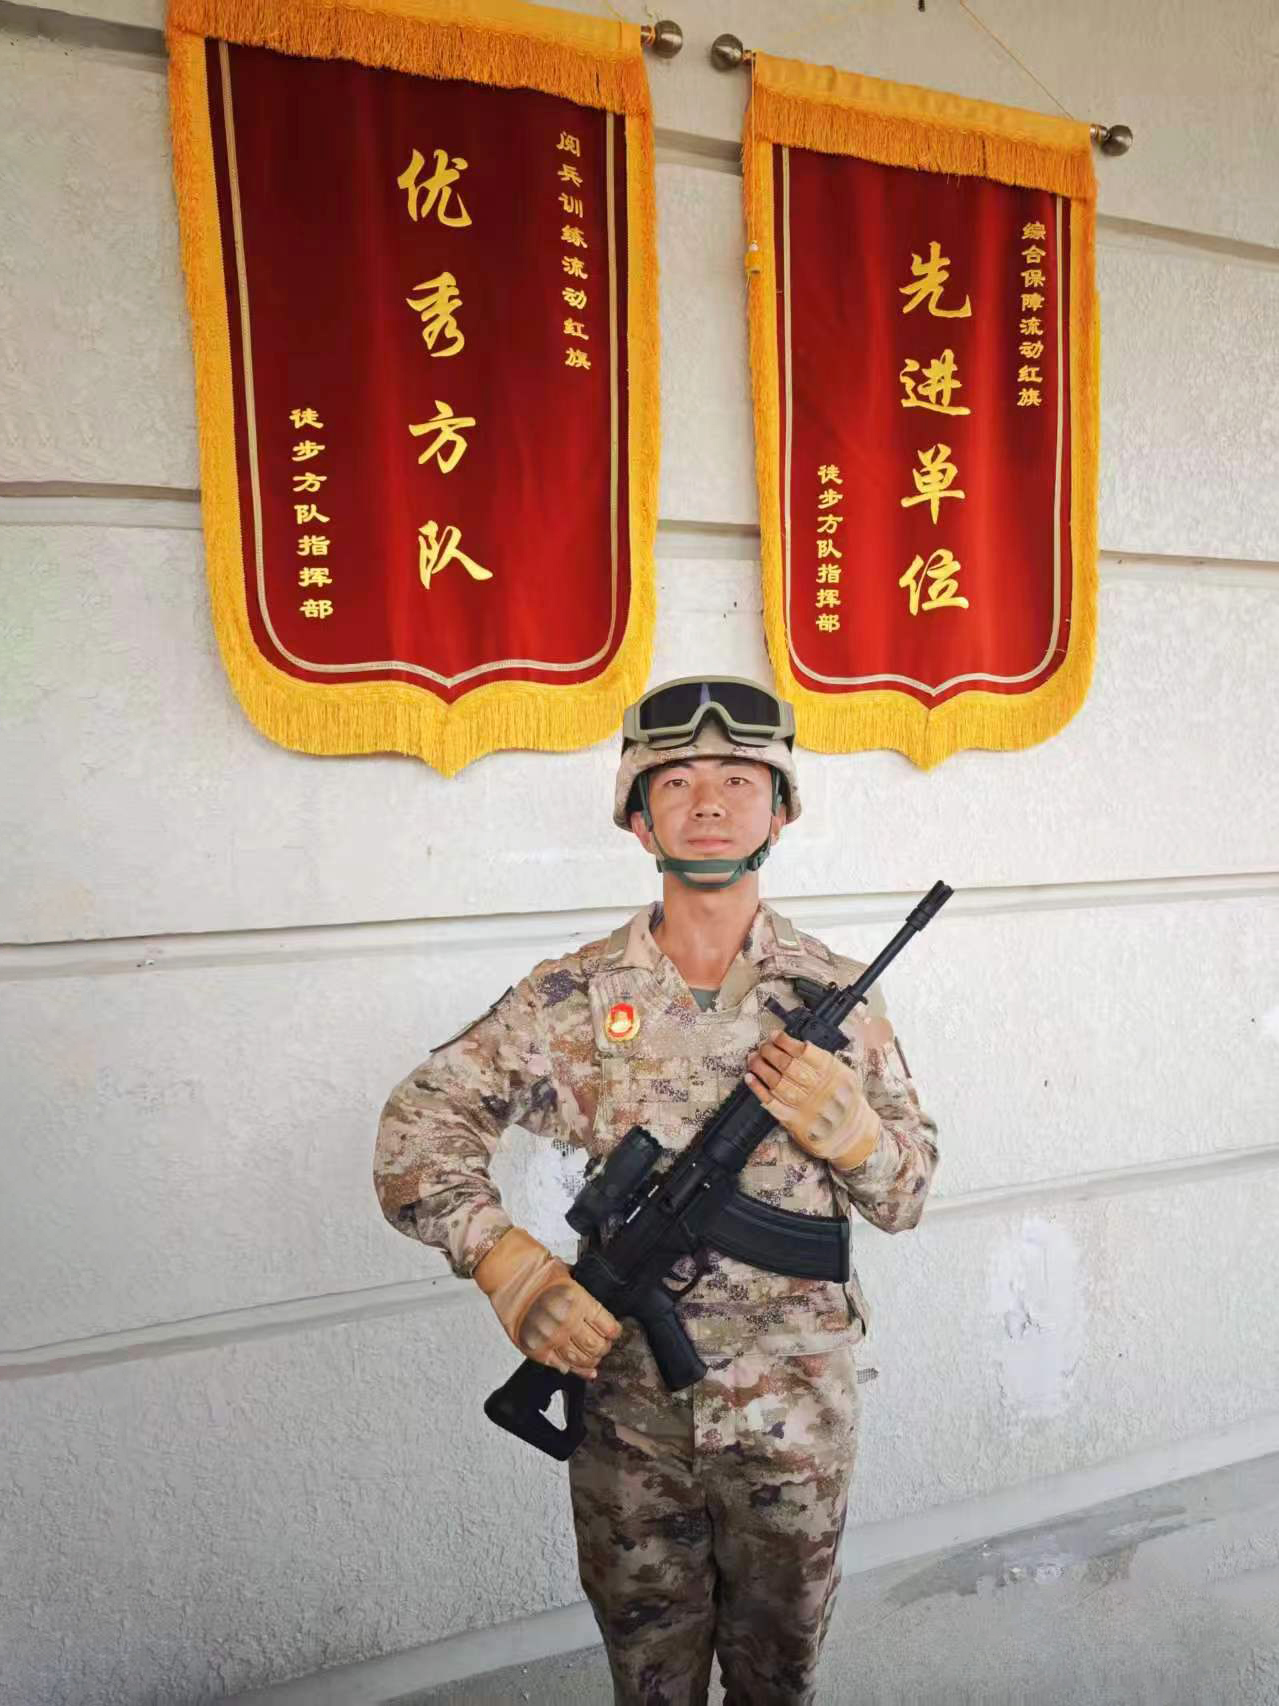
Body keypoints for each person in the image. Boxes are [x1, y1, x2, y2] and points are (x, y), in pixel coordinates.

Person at [374, 676, 938, 1706]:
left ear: (781, 812)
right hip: (630, 1426)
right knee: (649, 1687)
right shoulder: (572, 996)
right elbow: (417, 1129)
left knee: (779, 1684)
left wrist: (856, 1134)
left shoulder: (836, 997)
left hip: (794, 1426)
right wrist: (508, 1263)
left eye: (739, 780)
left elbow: (906, 1197)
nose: (709, 802)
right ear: (638, 819)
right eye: (675, 781)